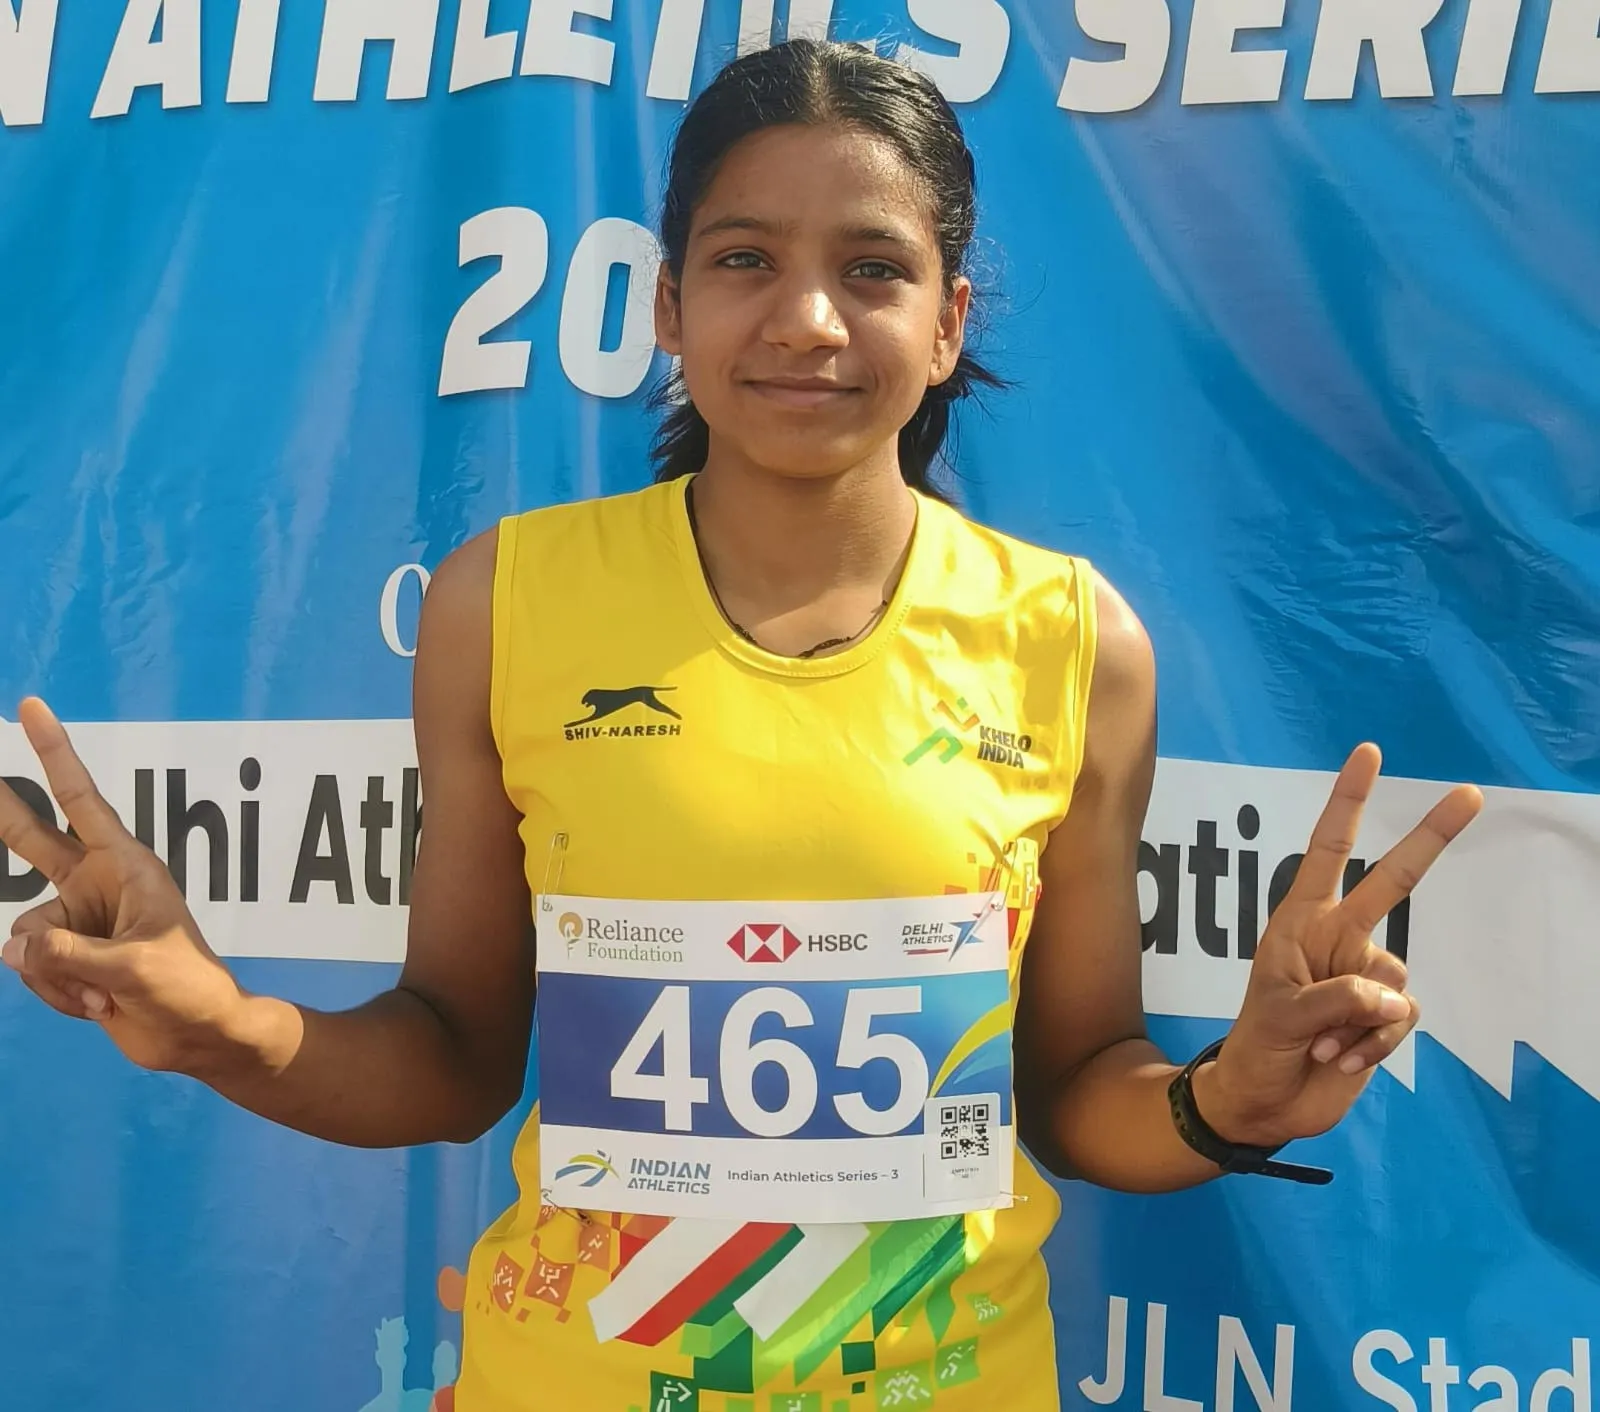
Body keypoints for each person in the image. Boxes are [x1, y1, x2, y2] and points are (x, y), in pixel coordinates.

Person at [0, 38, 1481, 1412]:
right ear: (668, 305)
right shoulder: (505, 605)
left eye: (873, 268)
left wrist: (1231, 1100)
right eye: (745, 259)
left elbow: (1081, 1088)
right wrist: (226, 1029)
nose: (807, 320)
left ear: (949, 323)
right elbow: (451, 1055)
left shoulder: (1075, 641)